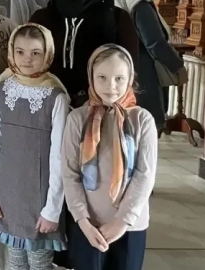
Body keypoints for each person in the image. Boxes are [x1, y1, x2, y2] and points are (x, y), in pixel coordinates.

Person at [0, 24, 70, 270]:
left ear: (47, 54)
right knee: (15, 263)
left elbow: (59, 157)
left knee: (39, 263)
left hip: (40, 198)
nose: (26, 59)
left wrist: (52, 209)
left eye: (35, 53)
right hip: (9, 196)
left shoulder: (56, 97)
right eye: (20, 52)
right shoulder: (1, 92)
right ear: (11, 52)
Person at [61, 45, 157, 270]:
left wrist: (122, 221)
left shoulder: (142, 120)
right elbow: (70, 173)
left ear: (130, 79)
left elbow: (144, 175)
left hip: (130, 225)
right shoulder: (77, 119)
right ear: (91, 77)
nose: (110, 86)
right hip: (87, 225)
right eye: (102, 77)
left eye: (119, 79)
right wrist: (82, 220)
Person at [29, 0, 140, 107]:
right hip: (46, 106)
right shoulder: (42, 18)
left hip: (99, 108)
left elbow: (130, 71)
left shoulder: (116, 18)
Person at [108, 0, 187, 129]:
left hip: (115, 67)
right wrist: (176, 65)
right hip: (142, 71)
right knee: (146, 125)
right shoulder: (139, 4)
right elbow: (155, 43)